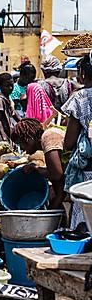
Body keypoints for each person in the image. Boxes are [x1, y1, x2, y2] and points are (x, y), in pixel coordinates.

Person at [11, 119, 67, 211]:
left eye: (20, 143)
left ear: (28, 139)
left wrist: (36, 169)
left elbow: (57, 174)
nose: (21, 148)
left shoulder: (48, 137)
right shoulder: (46, 141)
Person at [63, 55, 92, 230]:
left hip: (88, 172)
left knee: (85, 222)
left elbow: (69, 142)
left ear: (82, 74)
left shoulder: (80, 97)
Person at [0, 72, 20, 144]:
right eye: (7, 86)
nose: (10, 88)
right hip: (0, 136)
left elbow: (15, 115)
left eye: (11, 85)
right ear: (0, 86)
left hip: (8, 133)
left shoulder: (8, 99)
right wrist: (3, 136)